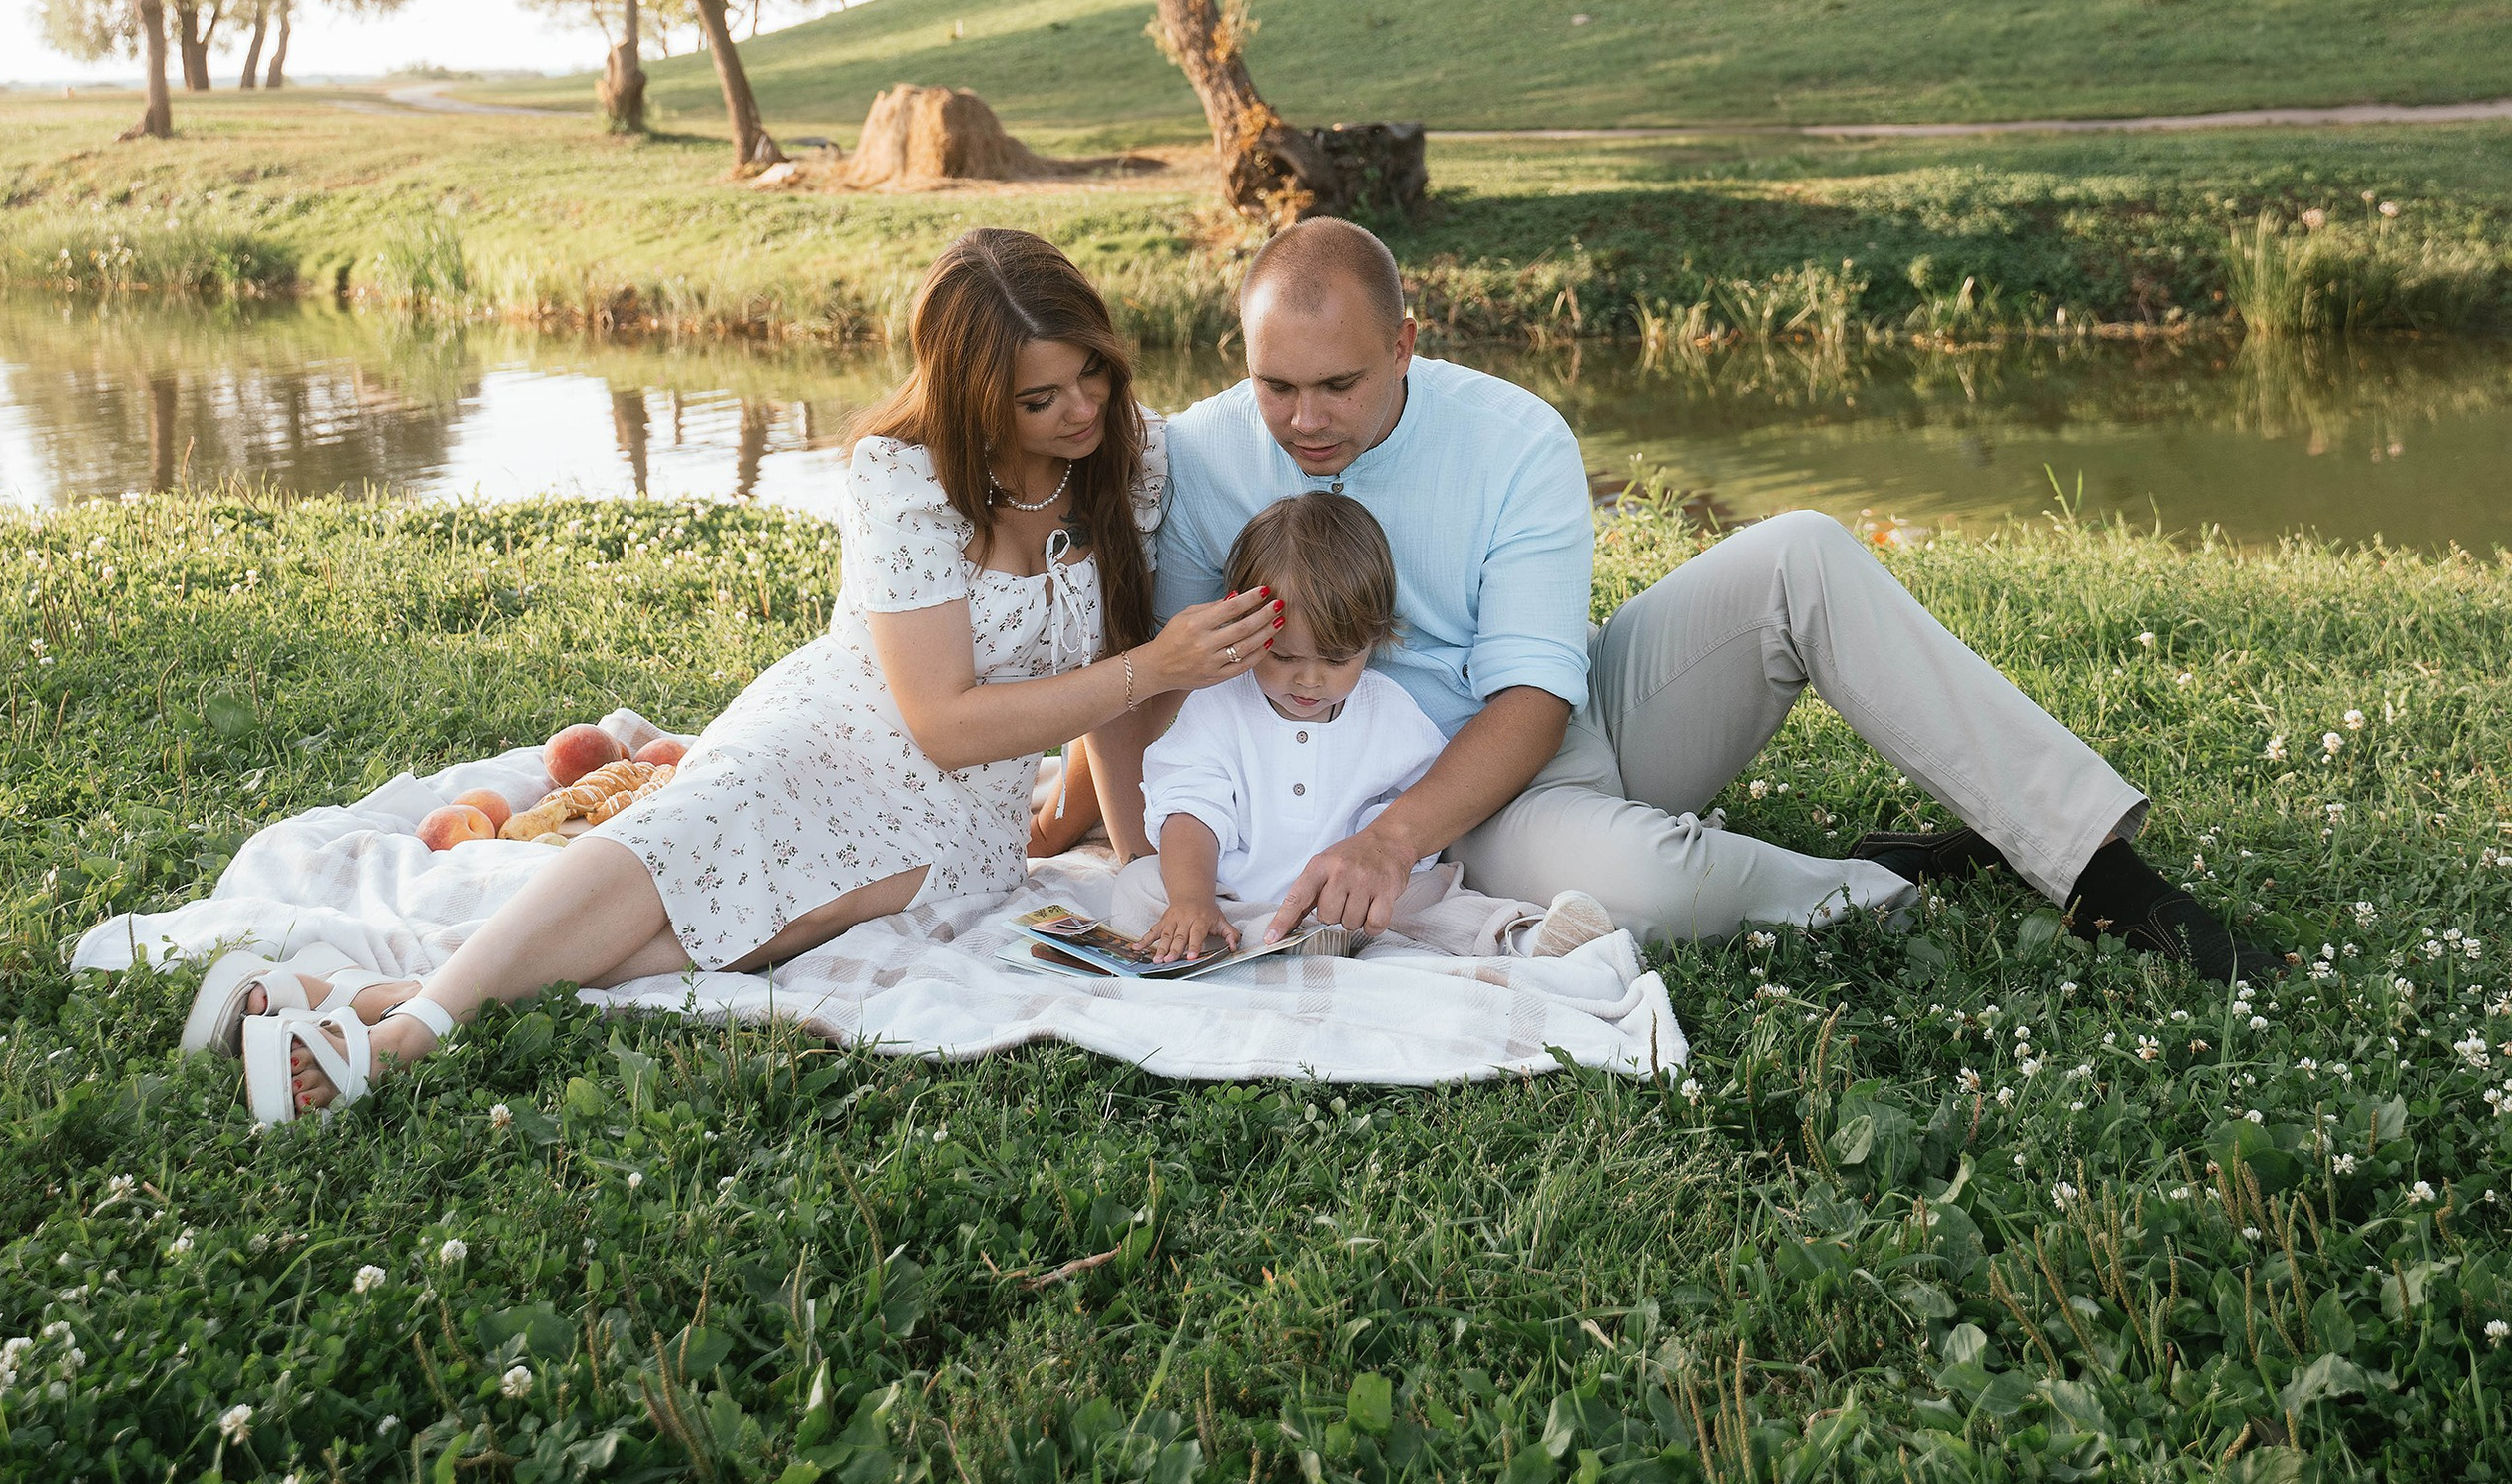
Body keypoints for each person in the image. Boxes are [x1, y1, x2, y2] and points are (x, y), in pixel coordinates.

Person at [224, 226, 1282, 1120]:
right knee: (684, 842)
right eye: (1039, 397)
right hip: (834, 735)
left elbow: (1111, 669)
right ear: (970, 400)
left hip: (967, 816)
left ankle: (365, 993)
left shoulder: (1129, 463)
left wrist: (1137, 847)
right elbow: (947, 721)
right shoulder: (905, 480)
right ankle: (409, 1038)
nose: (1080, 408)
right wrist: (1154, 669)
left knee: (767, 925)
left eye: (1091, 373)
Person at [1149, 216, 2276, 979]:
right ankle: (1880, 884)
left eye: (1338, 384)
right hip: (1429, 813)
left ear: (1404, 344)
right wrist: (1149, 852)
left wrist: (1389, 844)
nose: (1303, 420)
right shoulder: (1201, 457)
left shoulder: (1511, 437)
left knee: (1799, 550)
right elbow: (1176, 693)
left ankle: (2093, 865)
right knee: (1638, 881)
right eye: (1275, 386)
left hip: (1528, 743)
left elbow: (1540, 698)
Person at [1113, 489, 1616, 966]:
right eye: (1283, 656)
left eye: (1336, 660)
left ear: (1372, 638)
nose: (1309, 680)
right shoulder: (1219, 706)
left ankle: (1526, 935)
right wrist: (1192, 897)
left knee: (1440, 897)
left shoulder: (1389, 711)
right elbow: (1190, 810)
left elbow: (1422, 812)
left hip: (1354, 899)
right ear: (1243, 623)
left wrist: (1392, 870)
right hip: (1229, 888)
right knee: (1140, 887)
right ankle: (1242, 928)